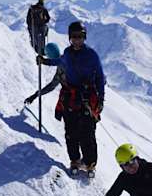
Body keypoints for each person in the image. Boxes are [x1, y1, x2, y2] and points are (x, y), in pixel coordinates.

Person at [24, 20, 105, 176]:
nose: (77, 40)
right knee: (71, 132)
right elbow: (59, 61)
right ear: (70, 37)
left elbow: (100, 77)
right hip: (71, 99)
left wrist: (101, 99)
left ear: (84, 37)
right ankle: (74, 160)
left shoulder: (92, 55)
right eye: (74, 36)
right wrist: (45, 61)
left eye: (80, 36)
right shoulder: (68, 53)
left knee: (87, 134)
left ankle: (90, 163)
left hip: (86, 98)